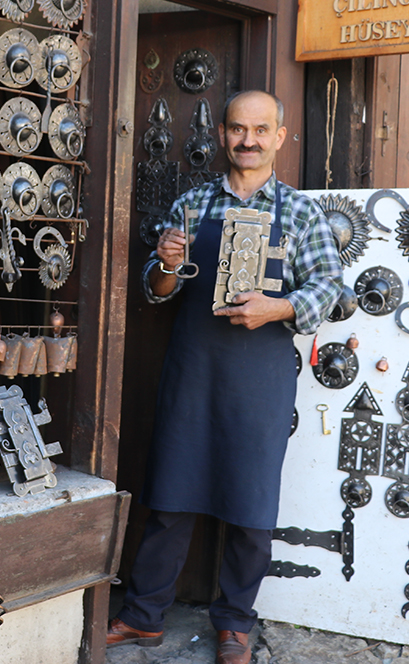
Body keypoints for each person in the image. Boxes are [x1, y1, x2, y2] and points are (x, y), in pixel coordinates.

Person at [107, 91, 343, 664]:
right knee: (170, 496)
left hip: (260, 377)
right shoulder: (192, 205)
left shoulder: (301, 212)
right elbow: (157, 292)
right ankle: (143, 616)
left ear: (279, 137)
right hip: (193, 371)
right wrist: (164, 265)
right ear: (221, 134)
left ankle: (235, 622)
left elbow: (330, 288)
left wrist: (278, 308)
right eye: (238, 129)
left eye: (261, 130)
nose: (248, 140)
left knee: (251, 505)